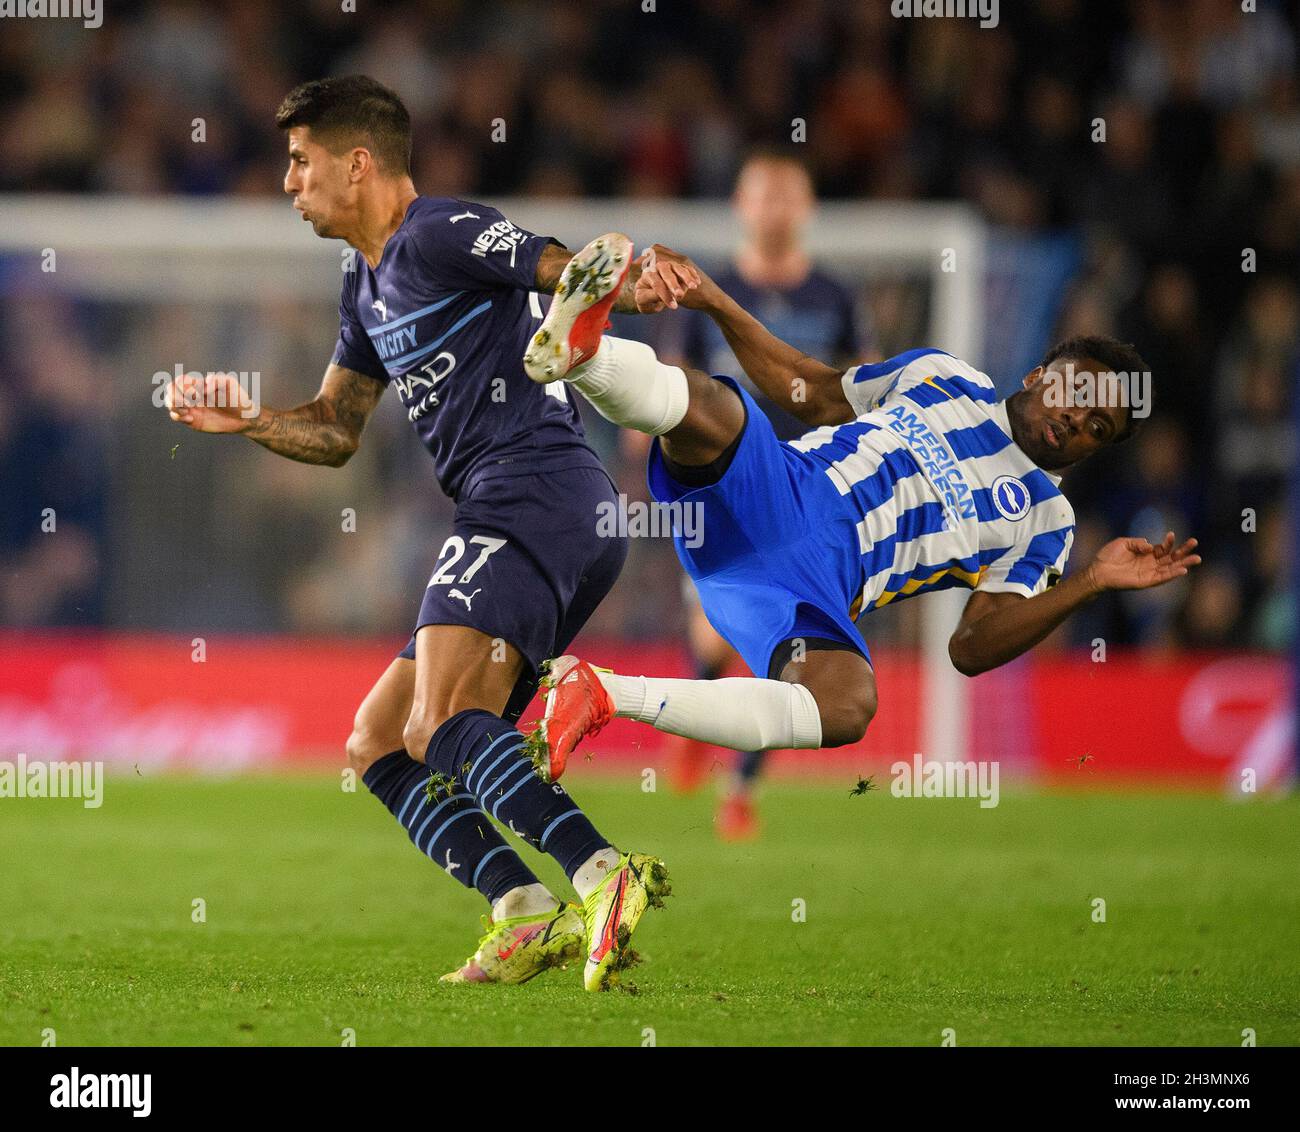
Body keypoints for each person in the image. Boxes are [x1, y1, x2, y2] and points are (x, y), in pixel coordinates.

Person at [163, 78, 695, 992]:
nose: (289, 182)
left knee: (439, 718)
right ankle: (523, 912)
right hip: (526, 510)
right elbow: (336, 430)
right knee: (378, 741)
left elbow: (559, 269)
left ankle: (603, 874)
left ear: (357, 163)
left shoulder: (440, 232)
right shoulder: (363, 282)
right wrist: (249, 420)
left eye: (301, 161)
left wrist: (621, 287)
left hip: (533, 490)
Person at [523, 239, 1200, 778]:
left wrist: (1091, 582)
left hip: (807, 593)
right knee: (713, 405)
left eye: (1098, 427)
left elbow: (969, 647)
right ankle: (580, 351)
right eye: (1076, 392)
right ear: (1037, 376)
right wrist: (714, 300)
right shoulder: (945, 376)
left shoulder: (1047, 522)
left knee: (849, 705)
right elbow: (812, 393)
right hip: (781, 488)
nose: (1078, 418)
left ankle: (604, 693)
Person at [661, 150, 867, 840]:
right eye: (763, 195)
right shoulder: (709, 293)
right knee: (714, 640)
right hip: (720, 490)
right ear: (741, 208)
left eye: (787, 195)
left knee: (785, 650)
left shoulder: (833, 297)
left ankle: (739, 788)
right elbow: (675, 380)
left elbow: (853, 385)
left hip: (803, 497)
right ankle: (698, 714)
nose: (775, 207)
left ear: (805, 210)